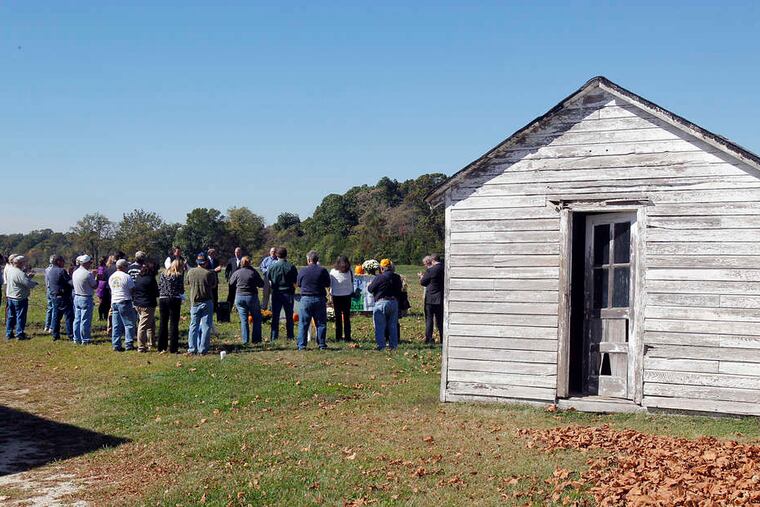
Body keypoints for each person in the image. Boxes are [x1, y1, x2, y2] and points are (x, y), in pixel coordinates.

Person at [296, 251, 330, 351]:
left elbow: (298, 284)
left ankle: (302, 345)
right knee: (321, 323)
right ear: (317, 260)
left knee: (303, 323)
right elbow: (327, 283)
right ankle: (321, 344)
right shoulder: (322, 270)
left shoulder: (303, 271)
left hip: (306, 299)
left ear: (308, 260)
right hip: (319, 298)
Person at [228, 256, 265, 345]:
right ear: (250, 263)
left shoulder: (237, 272)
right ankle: (256, 339)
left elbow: (231, 283)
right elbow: (261, 284)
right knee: (256, 318)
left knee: (244, 320)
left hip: (239, 297)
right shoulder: (253, 272)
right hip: (251, 297)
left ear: (241, 263)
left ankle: (245, 340)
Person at [367, 258, 402, 351]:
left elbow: (370, 289)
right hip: (394, 302)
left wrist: (370, 284)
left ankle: (381, 346)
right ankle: (393, 346)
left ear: (382, 268)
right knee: (393, 325)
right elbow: (400, 290)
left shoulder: (379, 277)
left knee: (380, 326)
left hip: (381, 302)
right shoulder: (397, 277)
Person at [186, 252, 217, 355]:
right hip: (206, 301)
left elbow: (188, 283)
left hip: (194, 302)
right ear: (206, 262)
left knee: (193, 326)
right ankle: (202, 349)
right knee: (206, 326)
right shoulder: (208, 273)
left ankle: (192, 348)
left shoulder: (190, 272)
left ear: (197, 261)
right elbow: (213, 285)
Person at [266, 247, 298, 341]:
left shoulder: (272, 266)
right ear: (286, 255)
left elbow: (268, 278)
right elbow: (295, 281)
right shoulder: (291, 266)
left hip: (276, 293)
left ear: (276, 255)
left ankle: (274, 336)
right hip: (288, 293)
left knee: (275, 316)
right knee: (289, 316)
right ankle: (290, 336)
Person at [5, 256, 37, 340]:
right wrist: (34, 283)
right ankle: (19, 334)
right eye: (24, 262)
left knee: (11, 316)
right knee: (20, 316)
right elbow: (28, 284)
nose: (25, 264)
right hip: (19, 297)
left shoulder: (10, 270)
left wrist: (28, 277)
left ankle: (9, 333)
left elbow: (20, 281)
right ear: (20, 263)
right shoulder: (20, 273)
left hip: (10, 296)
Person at [109, 259, 137, 352]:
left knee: (116, 325)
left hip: (114, 301)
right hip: (124, 301)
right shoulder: (126, 277)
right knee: (129, 324)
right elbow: (132, 289)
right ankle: (129, 344)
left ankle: (116, 344)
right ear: (124, 266)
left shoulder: (112, 277)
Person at [158, 259, 185, 353]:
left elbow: (160, 286)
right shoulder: (178, 276)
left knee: (163, 323)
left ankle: (161, 346)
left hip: (163, 298)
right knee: (173, 324)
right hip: (174, 299)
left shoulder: (163, 274)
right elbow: (181, 290)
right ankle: (173, 348)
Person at [46, 255, 74, 341]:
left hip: (54, 296)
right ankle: (70, 334)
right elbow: (70, 283)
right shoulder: (61, 271)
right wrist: (72, 276)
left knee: (56, 316)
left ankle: (55, 335)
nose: (64, 263)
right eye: (62, 261)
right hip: (63, 296)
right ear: (58, 261)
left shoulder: (50, 271)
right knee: (69, 316)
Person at [72, 255, 98, 345]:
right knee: (85, 320)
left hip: (77, 296)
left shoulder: (75, 272)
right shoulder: (88, 274)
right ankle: (85, 339)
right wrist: (95, 276)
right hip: (86, 297)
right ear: (86, 263)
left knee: (77, 319)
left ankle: (76, 338)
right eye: (90, 262)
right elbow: (94, 285)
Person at [133, 261, 159, 352]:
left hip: (138, 303)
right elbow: (156, 293)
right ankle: (141, 347)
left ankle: (151, 343)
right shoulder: (151, 279)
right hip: (147, 304)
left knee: (151, 324)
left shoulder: (139, 277)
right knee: (143, 326)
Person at [419, 253, 445, 345]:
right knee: (440, 320)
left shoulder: (431, 270)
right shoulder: (445, 268)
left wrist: (421, 277)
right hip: (441, 297)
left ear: (433, 260)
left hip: (430, 298)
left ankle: (429, 338)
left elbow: (423, 282)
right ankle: (443, 338)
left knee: (429, 319)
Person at [329, 255, 353, 341]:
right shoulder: (350, 271)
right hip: (346, 296)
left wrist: (330, 295)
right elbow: (352, 282)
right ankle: (347, 337)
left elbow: (330, 285)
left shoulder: (332, 271)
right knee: (346, 317)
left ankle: (338, 337)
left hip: (337, 296)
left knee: (339, 318)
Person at [96, 256, 111, 321]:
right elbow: (100, 277)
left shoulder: (102, 268)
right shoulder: (102, 268)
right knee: (103, 302)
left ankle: (104, 316)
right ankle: (101, 316)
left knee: (105, 302)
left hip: (102, 286)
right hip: (103, 286)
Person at [44, 254, 56, 333]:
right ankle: (52, 326)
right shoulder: (54, 270)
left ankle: (46, 326)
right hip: (53, 289)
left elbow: (46, 281)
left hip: (48, 289)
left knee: (49, 308)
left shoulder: (47, 269)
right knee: (54, 308)